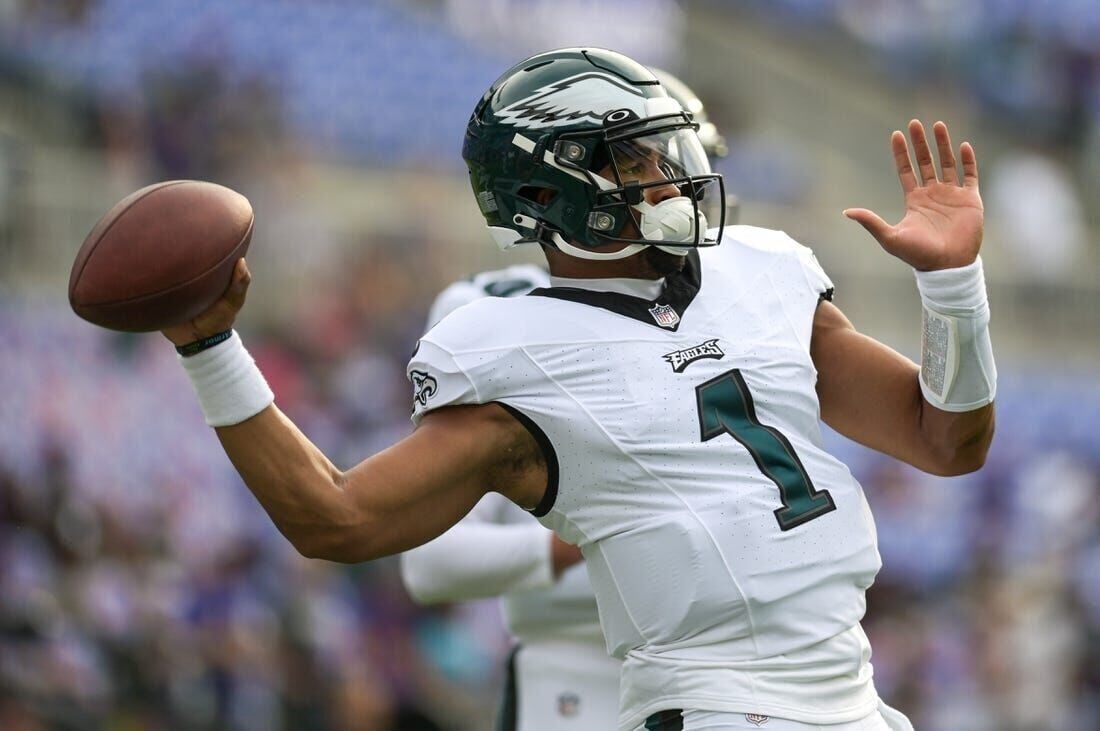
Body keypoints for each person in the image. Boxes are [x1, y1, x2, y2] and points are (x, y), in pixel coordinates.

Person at [161, 48, 995, 731]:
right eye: (633, 160)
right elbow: (335, 516)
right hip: (712, 704)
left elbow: (947, 440)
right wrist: (210, 345)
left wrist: (954, 286)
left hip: (855, 694)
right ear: (543, 194)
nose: (669, 177)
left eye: (666, 152)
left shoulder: (761, 270)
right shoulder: (512, 347)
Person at [399, 70, 733, 731]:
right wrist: (593, 539)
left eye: (684, 162)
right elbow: (428, 562)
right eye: (644, 164)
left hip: (723, 679)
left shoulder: (732, 311)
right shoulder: (497, 317)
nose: (673, 188)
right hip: (575, 681)